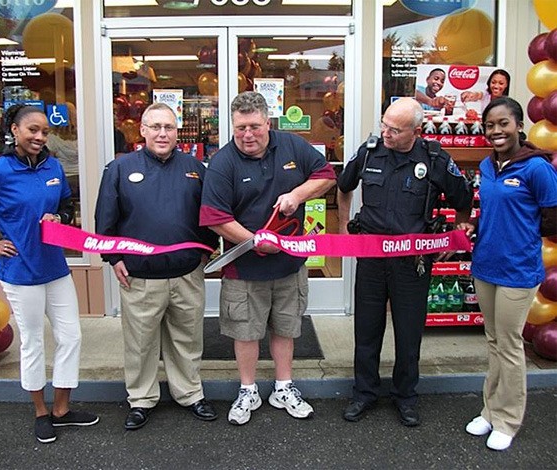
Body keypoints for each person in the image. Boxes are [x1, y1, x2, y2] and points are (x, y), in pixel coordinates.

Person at [0, 105, 98, 444]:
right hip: (20, 271)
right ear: (14, 130)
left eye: (44, 131)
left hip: (56, 268)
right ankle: (41, 412)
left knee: (70, 337)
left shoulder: (54, 166)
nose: (40, 137)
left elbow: (65, 206)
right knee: (33, 343)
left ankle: (62, 409)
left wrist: (61, 217)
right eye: (32, 130)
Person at [200, 92, 336, 425]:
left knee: (286, 327)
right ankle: (247, 390)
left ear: (268, 122)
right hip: (244, 267)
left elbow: (327, 176)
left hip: (289, 264)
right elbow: (215, 217)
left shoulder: (292, 146)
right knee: (245, 331)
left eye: (255, 127)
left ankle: (283, 387)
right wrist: (257, 242)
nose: (248, 135)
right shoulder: (223, 162)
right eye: (240, 128)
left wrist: (296, 194)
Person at [336, 97, 472, 427]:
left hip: (413, 262)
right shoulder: (369, 152)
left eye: (395, 130)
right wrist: (343, 228)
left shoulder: (435, 157)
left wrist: (457, 232)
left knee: (409, 334)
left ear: (416, 130)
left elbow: (463, 197)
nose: (386, 133)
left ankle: (405, 396)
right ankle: (364, 393)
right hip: (371, 257)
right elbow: (343, 187)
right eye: (384, 124)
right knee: (366, 330)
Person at [94, 102, 219, 430]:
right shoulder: (119, 169)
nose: (162, 133)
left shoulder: (195, 168)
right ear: (143, 131)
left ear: (177, 132)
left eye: (169, 127)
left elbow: (208, 217)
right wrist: (113, 257)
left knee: (188, 339)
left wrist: (205, 253)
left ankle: (190, 393)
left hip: (186, 275)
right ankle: (141, 399)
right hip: (139, 277)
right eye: (156, 127)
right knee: (140, 343)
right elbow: (105, 218)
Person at [458, 97, 557, 451]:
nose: (496, 131)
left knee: (511, 345)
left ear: (518, 126)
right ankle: (490, 409)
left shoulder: (536, 168)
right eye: (490, 125)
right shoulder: (487, 166)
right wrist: (475, 225)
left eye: (503, 124)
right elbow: (491, 208)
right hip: (486, 266)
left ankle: (508, 419)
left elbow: (552, 218)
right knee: (495, 342)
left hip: (518, 271)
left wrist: (520, 238)